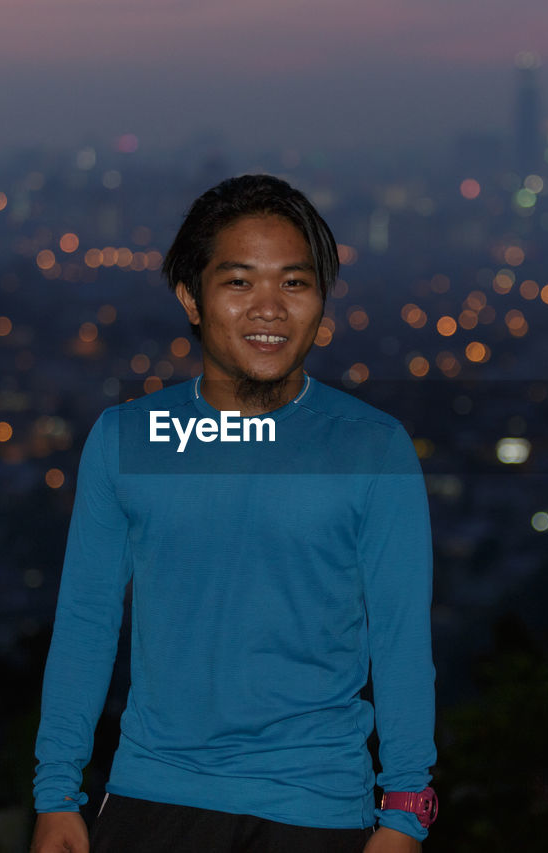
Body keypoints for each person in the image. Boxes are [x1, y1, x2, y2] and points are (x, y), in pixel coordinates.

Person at [30, 174, 437, 853]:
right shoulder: (127, 439)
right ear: (192, 297)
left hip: (317, 805)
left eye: (296, 283)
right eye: (240, 282)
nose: (270, 308)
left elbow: (400, 639)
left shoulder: (374, 447)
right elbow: (85, 621)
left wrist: (406, 812)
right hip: (155, 794)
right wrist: (55, 792)